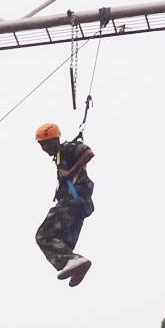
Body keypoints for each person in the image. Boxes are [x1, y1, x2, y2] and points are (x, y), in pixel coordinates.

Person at [35, 123, 95, 287]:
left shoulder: (66, 148)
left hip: (72, 201)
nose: (44, 148)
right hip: (80, 205)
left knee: (44, 235)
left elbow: (88, 153)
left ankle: (72, 261)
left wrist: (70, 172)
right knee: (64, 242)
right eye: (42, 145)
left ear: (55, 140)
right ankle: (78, 265)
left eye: (46, 144)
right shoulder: (60, 157)